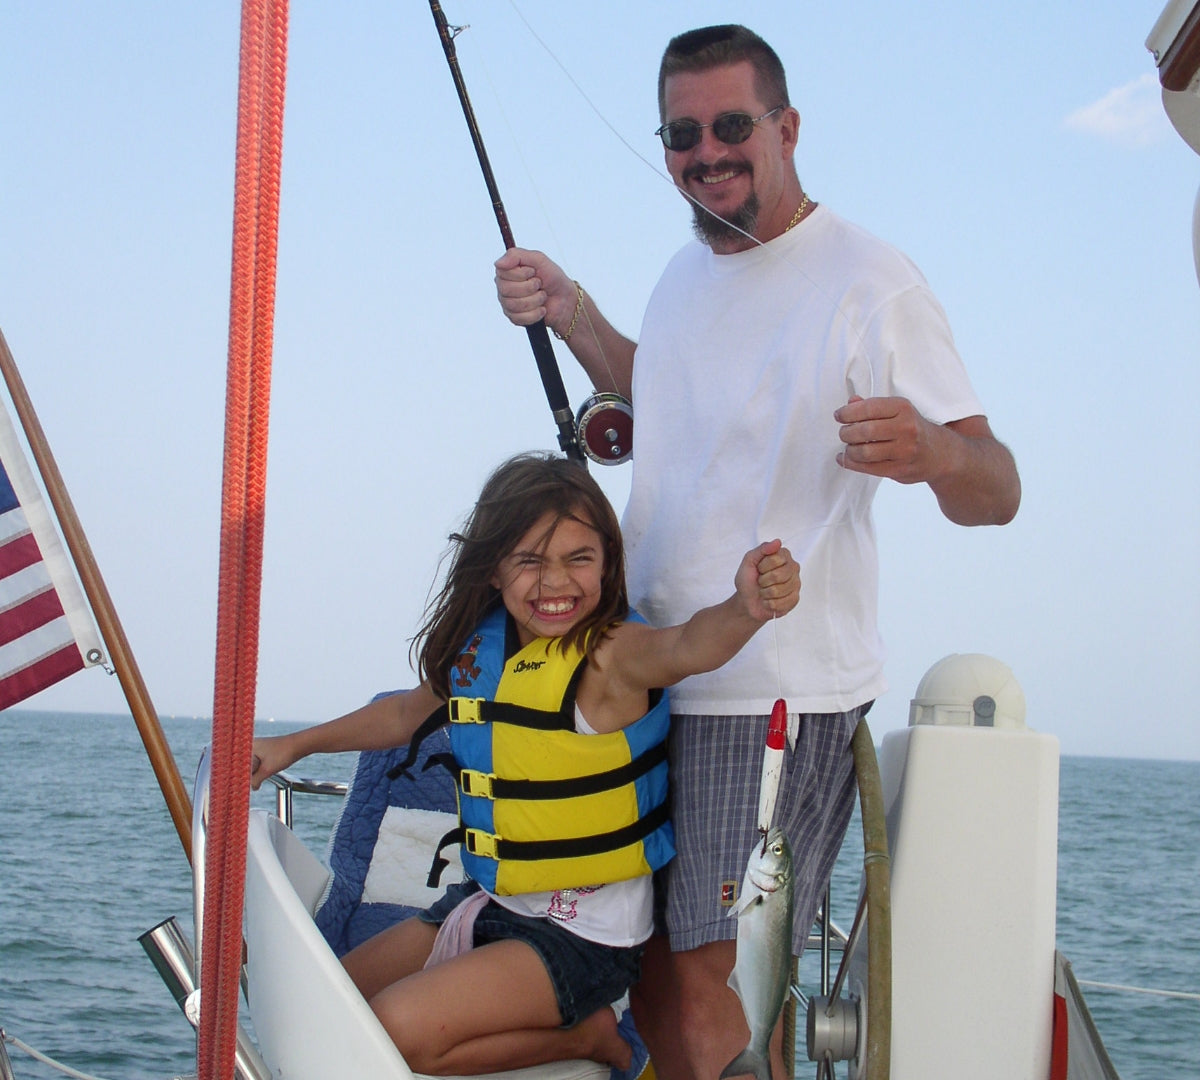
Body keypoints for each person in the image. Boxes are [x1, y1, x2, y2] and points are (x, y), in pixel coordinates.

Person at [493, 24, 1021, 1080]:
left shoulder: (872, 282)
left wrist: (928, 451)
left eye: (732, 124)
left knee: (721, 984)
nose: (707, 152)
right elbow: (666, 397)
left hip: (771, 690)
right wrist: (571, 312)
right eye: (681, 133)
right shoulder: (683, 275)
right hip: (647, 671)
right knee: (650, 970)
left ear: (787, 128)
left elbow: (996, 489)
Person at [250, 452, 801, 1077]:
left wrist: (745, 607)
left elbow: (688, 645)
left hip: (585, 940)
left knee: (392, 1030)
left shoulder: (613, 656)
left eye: (578, 558)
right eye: (530, 561)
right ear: (494, 569)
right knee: (325, 999)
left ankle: (590, 1038)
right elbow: (403, 714)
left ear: (607, 563)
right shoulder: (479, 653)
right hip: (491, 903)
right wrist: (292, 747)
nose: (555, 582)